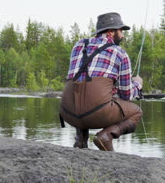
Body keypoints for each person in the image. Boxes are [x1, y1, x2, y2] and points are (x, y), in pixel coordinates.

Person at [59, 12, 143, 151]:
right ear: (111, 32)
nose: (122, 35)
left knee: (83, 93)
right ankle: (106, 136)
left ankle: (80, 141)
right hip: (94, 112)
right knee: (136, 112)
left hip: (68, 112)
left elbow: (83, 79)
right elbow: (126, 95)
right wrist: (138, 84)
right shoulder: (119, 52)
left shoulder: (79, 45)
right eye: (120, 30)